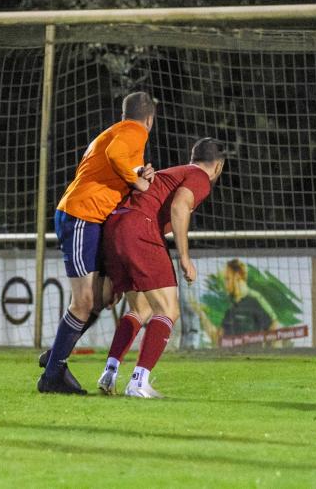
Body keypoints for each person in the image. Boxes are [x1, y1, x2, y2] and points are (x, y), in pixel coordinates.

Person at [37, 92, 156, 395]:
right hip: (81, 216)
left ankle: (55, 356)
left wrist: (138, 174)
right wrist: (140, 182)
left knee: (102, 298)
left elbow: (115, 166)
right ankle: (52, 375)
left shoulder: (117, 132)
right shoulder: (134, 131)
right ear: (149, 119)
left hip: (91, 218)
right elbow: (116, 156)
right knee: (84, 302)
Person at [97, 138, 225, 398]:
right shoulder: (199, 177)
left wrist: (110, 272)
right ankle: (139, 381)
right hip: (140, 228)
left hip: (115, 228)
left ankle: (110, 371)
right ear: (218, 165)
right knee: (168, 309)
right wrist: (185, 257)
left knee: (140, 308)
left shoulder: (174, 172)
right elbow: (179, 206)